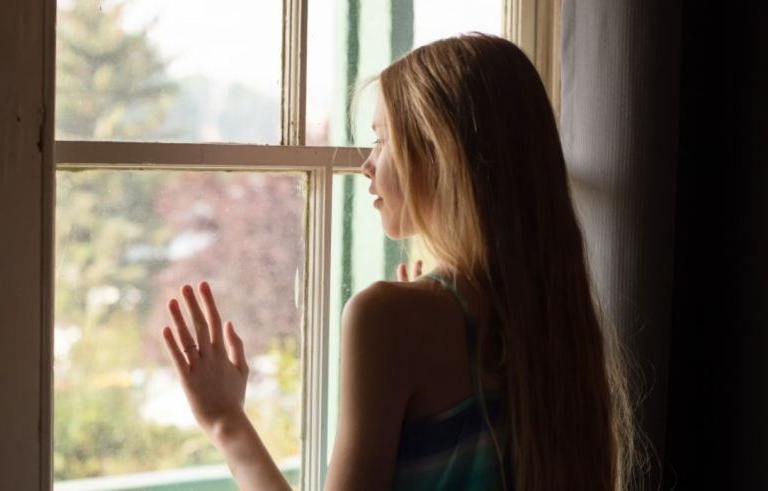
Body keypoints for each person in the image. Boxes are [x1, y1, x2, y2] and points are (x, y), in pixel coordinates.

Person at [160, 32, 643, 491]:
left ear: (439, 154)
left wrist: (227, 423)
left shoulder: (386, 317)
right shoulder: (558, 318)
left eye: (382, 139)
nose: (366, 164)